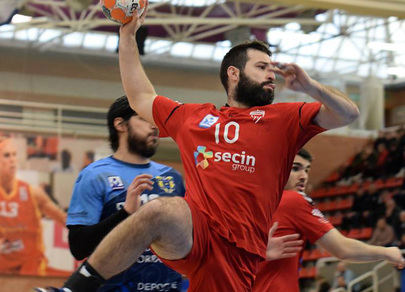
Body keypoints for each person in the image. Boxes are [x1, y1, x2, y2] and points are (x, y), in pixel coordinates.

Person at [37, 2, 361, 290]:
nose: (271, 75)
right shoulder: (194, 117)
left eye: (272, 69)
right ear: (233, 74)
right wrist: (126, 36)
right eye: (261, 67)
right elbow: (140, 97)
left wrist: (310, 86)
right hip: (195, 233)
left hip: (238, 254)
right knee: (162, 209)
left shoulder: (285, 119)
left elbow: (348, 114)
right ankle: (74, 289)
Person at [66, 96, 187, 292]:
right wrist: (125, 214)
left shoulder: (172, 177)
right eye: (144, 119)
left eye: (155, 121)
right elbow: (79, 247)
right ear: (120, 124)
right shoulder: (95, 175)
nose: (154, 127)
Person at [252, 149, 404, 292]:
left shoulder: (254, 204)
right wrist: (386, 252)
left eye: (307, 170)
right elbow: (343, 249)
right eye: (295, 168)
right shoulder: (293, 200)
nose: (304, 176)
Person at [0, 137, 66, 275]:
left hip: (32, 269)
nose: (12, 160)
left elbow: (65, 219)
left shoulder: (32, 192)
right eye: (6, 155)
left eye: (14, 154)